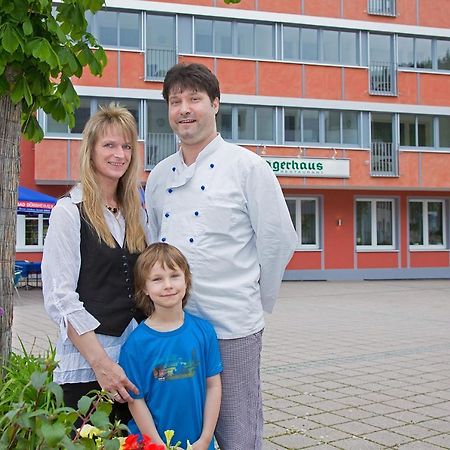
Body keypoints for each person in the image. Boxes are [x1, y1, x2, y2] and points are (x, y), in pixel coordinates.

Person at [145, 63, 298, 449]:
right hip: (172, 327)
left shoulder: (248, 167)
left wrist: (253, 299)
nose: (184, 108)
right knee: (179, 425)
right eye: (175, 100)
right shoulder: (160, 175)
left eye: (194, 99)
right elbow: (153, 246)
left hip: (230, 324)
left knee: (237, 427)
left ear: (215, 104)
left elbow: (278, 240)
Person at [42, 105, 149, 424]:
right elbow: (60, 299)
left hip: (134, 356)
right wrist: (102, 365)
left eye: (127, 146)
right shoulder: (69, 211)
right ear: (90, 151)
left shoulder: (137, 213)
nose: (120, 154)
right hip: (89, 366)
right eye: (110, 145)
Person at [119, 243, 222, 450]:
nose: (168, 285)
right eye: (157, 279)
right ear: (144, 289)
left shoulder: (203, 332)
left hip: (198, 443)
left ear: (186, 280)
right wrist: (158, 445)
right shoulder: (136, 344)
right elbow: (135, 401)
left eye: (174, 276)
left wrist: (205, 438)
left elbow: (213, 386)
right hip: (153, 443)